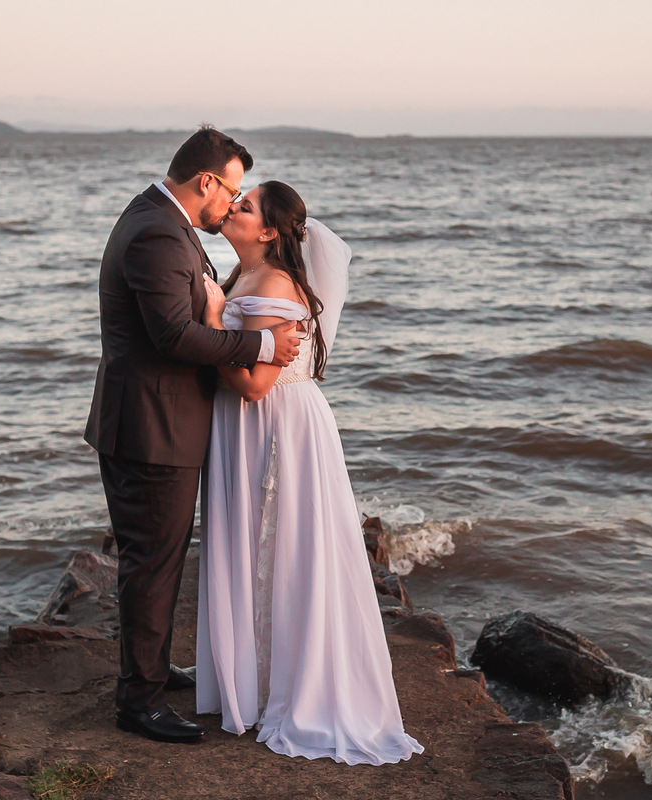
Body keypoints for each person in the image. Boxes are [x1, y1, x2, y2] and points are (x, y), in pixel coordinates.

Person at [84, 127, 302, 744]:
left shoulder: (163, 222)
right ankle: (139, 702)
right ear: (206, 181)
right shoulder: (157, 231)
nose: (230, 205)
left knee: (159, 558)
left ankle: (151, 672)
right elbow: (174, 336)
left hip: (157, 422)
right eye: (231, 191)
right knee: (151, 563)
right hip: (150, 428)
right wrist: (261, 344)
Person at [196, 181, 424, 765]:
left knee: (286, 547)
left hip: (275, 423)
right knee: (257, 543)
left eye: (246, 206)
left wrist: (215, 322)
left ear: (270, 231)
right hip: (248, 425)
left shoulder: (274, 285)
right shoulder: (242, 275)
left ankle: (291, 686)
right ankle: (252, 678)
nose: (233, 207)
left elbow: (253, 385)